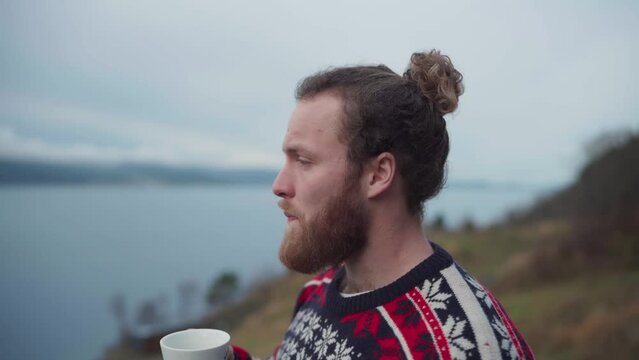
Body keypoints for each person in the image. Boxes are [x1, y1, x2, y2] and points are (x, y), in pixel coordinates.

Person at [232, 50, 534, 360]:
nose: (279, 185)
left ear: (378, 174)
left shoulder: (459, 347)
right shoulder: (322, 288)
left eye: (304, 161)